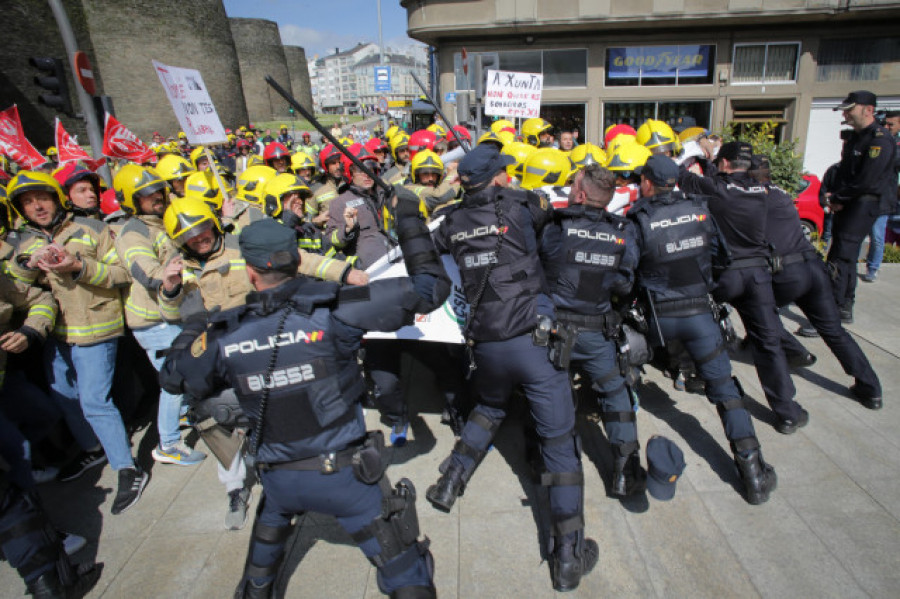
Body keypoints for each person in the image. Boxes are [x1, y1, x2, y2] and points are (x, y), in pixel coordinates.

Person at [160, 205, 448, 598]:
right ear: (298, 260)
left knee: (257, 575)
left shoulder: (225, 332)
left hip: (278, 483)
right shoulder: (339, 307)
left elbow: (175, 377)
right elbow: (430, 288)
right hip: (347, 481)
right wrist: (411, 221)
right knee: (409, 577)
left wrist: (193, 322)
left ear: (250, 271)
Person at [426, 143, 599, 592]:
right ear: (500, 178)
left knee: (489, 408)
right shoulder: (524, 205)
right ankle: (567, 557)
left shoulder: (450, 221)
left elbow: (430, 243)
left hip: (486, 347)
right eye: (504, 170)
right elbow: (547, 215)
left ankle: (449, 481)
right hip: (534, 343)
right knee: (560, 446)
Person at [631, 155, 777, 504]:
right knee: (725, 388)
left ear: (648, 183)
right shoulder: (700, 209)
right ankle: (753, 472)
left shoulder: (638, 217)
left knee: (624, 369)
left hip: (657, 317)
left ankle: (624, 463)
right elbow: (721, 257)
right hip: (698, 313)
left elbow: (629, 271)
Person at [6, 171, 148, 515]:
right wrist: (28, 264)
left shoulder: (93, 229)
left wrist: (78, 267)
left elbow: (120, 274)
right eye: (27, 202)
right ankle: (93, 447)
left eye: (42, 198)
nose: (37, 206)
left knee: (94, 400)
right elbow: (21, 289)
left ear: (57, 198)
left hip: (97, 325)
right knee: (63, 396)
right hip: (58, 332)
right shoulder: (21, 242)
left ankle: (127, 469)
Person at [679, 141, 807, 434]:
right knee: (768, 342)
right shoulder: (761, 191)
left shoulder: (716, 189)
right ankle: (787, 412)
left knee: (702, 327)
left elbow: (679, 175)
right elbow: (731, 180)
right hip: (758, 277)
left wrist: (693, 149)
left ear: (723, 164)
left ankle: (699, 376)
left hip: (724, 275)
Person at [540, 163, 645, 495]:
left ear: (581, 194)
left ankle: (540, 461)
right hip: (597, 333)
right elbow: (626, 285)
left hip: (553, 333)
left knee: (544, 397)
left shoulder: (556, 228)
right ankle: (626, 472)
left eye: (572, 185)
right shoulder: (622, 231)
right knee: (616, 395)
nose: (570, 189)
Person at [748, 155, 884, 411]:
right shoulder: (780, 194)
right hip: (813, 267)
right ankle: (871, 388)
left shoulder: (751, 200)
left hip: (787, 273)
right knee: (834, 331)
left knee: (756, 311)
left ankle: (795, 351)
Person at [112, 164, 206, 466]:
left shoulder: (159, 223)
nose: (156, 197)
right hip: (154, 321)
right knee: (173, 381)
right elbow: (146, 271)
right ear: (131, 200)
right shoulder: (133, 233)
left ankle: (182, 417)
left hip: (174, 315)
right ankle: (168, 444)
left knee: (182, 376)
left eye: (157, 191)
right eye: (146, 194)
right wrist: (166, 277)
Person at [825, 91, 897, 318]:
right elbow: (846, 174)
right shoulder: (855, 138)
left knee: (841, 256)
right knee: (842, 254)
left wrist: (838, 198)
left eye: (850, 109)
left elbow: (867, 181)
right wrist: (836, 197)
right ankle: (844, 304)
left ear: (868, 110)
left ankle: (834, 310)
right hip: (849, 203)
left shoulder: (879, 139)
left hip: (864, 203)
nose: (845, 113)